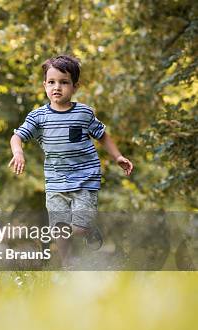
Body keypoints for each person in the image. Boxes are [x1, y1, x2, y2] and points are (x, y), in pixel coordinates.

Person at [8, 55, 133, 264]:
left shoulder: (83, 113)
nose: (57, 87)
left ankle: (88, 229)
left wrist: (117, 156)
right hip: (55, 181)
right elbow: (17, 136)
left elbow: (102, 135)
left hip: (85, 178)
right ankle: (68, 264)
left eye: (64, 82)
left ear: (75, 86)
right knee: (58, 228)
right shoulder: (38, 116)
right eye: (52, 82)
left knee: (80, 227)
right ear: (44, 85)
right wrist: (18, 152)